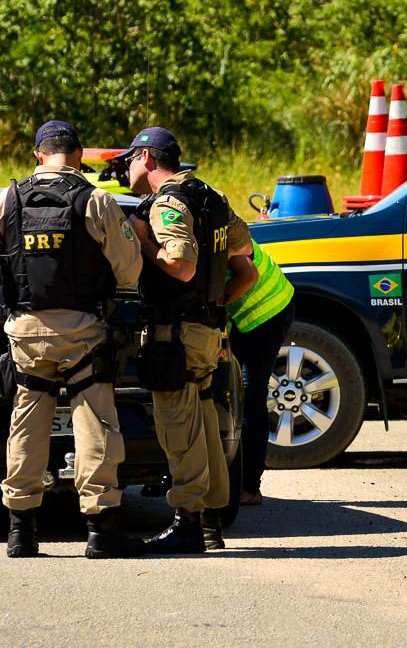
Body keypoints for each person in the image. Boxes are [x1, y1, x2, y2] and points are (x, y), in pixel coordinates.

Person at [0, 120, 145, 559]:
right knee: (95, 422)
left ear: (38, 154)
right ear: (80, 153)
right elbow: (129, 268)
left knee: (27, 423)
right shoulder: (97, 200)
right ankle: (101, 528)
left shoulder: (8, 198)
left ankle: (21, 530)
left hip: (25, 333)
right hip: (83, 331)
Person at [119, 127, 254, 553]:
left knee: (179, 428)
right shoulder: (212, 198)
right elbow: (246, 267)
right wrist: (214, 309)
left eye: (130, 159)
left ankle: (188, 522)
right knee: (206, 425)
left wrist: (142, 241)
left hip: (174, 334)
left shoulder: (168, 203)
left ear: (147, 158)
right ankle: (211, 520)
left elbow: (182, 266)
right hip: (206, 330)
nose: (126, 167)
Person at [224, 241, 295, 505]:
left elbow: (249, 274)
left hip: (267, 312)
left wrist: (218, 303)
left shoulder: (198, 220)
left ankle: (249, 488)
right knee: (242, 397)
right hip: (254, 313)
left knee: (249, 398)